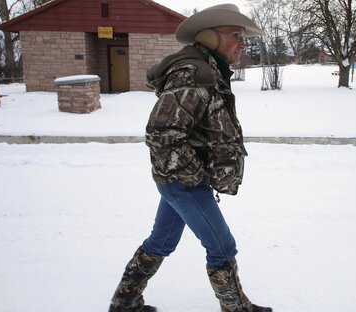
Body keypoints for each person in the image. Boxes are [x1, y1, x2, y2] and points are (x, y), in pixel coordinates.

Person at [109, 4, 272, 312]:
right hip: (183, 182)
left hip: (177, 180)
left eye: (244, 37)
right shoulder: (194, 74)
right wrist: (194, 178)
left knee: (161, 242)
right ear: (210, 37)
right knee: (222, 245)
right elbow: (162, 133)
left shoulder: (208, 70)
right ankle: (236, 308)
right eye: (236, 35)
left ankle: (125, 303)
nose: (242, 43)